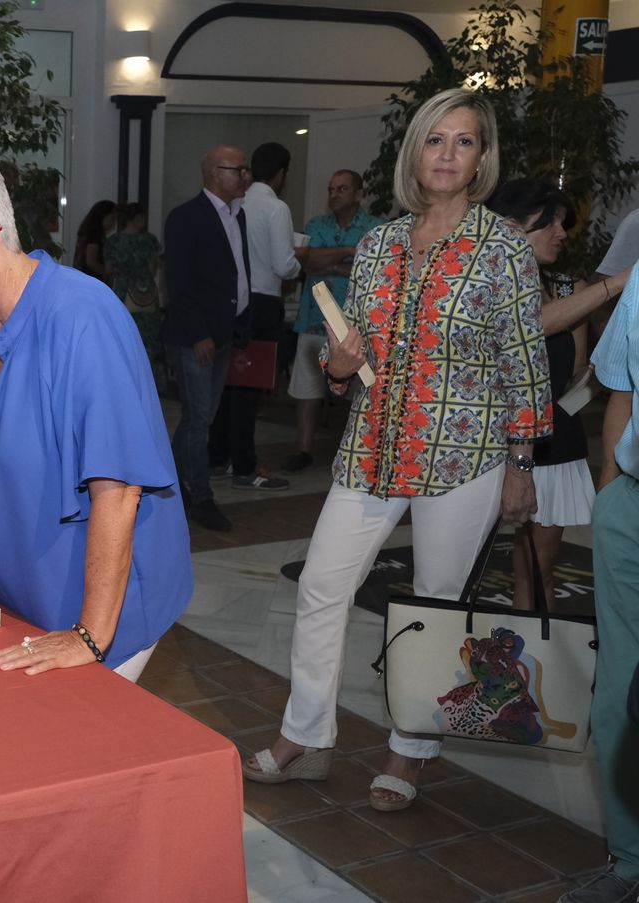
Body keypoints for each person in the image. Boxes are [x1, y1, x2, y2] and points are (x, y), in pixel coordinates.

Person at [240, 89, 552, 812]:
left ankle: (409, 750)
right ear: (416, 151)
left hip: (465, 454)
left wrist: (521, 463)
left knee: (435, 607)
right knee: (321, 584)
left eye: (463, 142)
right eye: (435, 140)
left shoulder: (502, 247)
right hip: (373, 447)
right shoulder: (379, 243)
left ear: (481, 157)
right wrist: (341, 368)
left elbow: (524, 362)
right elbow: (353, 362)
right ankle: (306, 736)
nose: (447, 154)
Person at [0, 145, 193, 683]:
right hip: (12, 597)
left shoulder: (85, 319)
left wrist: (90, 636)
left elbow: (118, 491)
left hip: (102, 610)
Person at [488, 179, 629, 609]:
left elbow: (577, 374)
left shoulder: (570, 288)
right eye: (548, 224)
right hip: (490, 439)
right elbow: (534, 323)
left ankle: (531, 667)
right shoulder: (486, 286)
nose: (562, 233)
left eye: (563, 224)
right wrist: (621, 280)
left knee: (538, 568)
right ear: (512, 229)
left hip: (553, 437)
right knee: (459, 568)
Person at [572, 267, 639, 903]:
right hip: (632, 509)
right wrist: (610, 488)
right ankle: (629, 862)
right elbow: (619, 387)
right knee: (619, 688)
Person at [162, 145, 253, 532]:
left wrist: (238, 330)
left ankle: (166, 476)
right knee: (200, 419)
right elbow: (179, 284)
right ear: (216, 173)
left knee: (201, 417)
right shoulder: (186, 217)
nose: (246, 176)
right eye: (240, 169)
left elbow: (237, 275)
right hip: (194, 337)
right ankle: (198, 497)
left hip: (223, 335)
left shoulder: (238, 215)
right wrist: (200, 334)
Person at [209, 141, 298, 493]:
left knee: (227, 386)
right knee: (249, 391)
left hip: (235, 302)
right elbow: (283, 265)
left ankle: (217, 458)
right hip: (263, 305)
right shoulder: (276, 209)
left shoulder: (237, 204)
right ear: (281, 174)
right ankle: (245, 466)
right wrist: (299, 261)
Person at [285, 169, 381, 473]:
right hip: (314, 319)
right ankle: (303, 450)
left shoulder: (375, 229)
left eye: (341, 189)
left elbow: (372, 271)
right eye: (330, 189)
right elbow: (307, 261)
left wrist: (329, 263)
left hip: (355, 326)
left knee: (358, 393)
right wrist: (346, 253)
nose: (334, 194)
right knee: (307, 390)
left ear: (358, 193)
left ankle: (356, 452)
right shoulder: (316, 225)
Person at [101, 203, 167, 394]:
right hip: (146, 294)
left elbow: (108, 269)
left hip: (121, 295)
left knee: (122, 341)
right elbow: (154, 267)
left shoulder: (113, 241)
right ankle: (152, 388)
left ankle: (123, 387)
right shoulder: (149, 241)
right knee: (149, 344)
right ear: (137, 218)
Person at [71, 199, 116, 282]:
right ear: (103, 216)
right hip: (91, 278)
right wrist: (105, 274)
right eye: (112, 219)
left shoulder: (88, 232)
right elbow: (91, 261)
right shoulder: (94, 235)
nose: (114, 223)